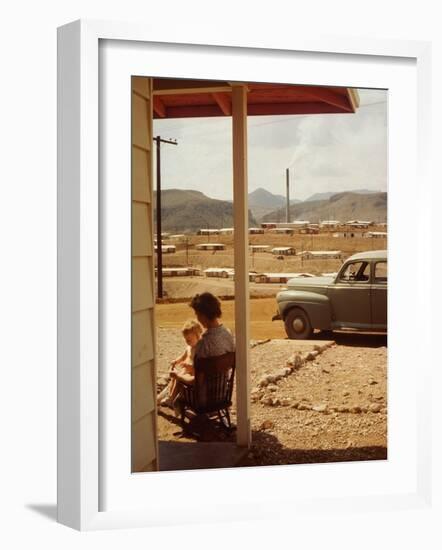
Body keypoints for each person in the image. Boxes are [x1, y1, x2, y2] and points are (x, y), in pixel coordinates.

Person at [157, 319, 203, 409]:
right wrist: (176, 361)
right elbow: (182, 357)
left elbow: (200, 366)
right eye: (186, 340)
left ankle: (171, 399)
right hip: (186, 370)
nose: (187, 342)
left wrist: (190, 366)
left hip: (192, 373)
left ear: (198, 336)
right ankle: (170, 396)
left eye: (189, 340)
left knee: (178, 378)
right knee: (174, 378)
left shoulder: (199, 349)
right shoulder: (189, 347)